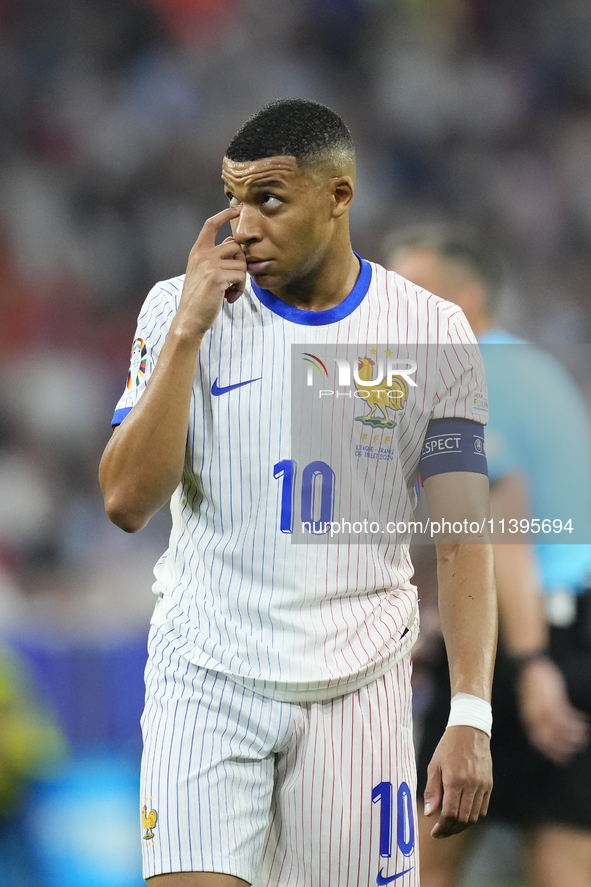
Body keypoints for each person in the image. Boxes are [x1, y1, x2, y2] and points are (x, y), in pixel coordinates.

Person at [99, 99, 497, 887]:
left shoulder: (432, 330)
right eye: (232, 196)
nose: (241, 224)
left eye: (269, 200)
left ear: (338, 197)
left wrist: (469, 714)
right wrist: (187, 329)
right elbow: (125, 501)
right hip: (207, 675)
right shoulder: (176, 307)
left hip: (359, 692)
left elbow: (461, 538)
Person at [385, 224, 591, 887]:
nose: (392, 305)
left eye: (410, 287)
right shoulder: (530, 365)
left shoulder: (471, 370)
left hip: (528, 639)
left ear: (463, 295)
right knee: (560, 849)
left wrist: (529, 662)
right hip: (573, 627)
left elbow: (503, 525)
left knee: (426, 859)